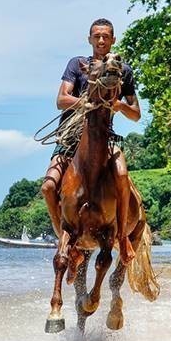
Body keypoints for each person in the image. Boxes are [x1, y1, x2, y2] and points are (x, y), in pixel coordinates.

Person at [40, 18, 141, 262]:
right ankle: (61, 233)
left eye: (106, 36)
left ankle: (123, 236)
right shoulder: (78, 64)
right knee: (48, 187)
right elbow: (61, 99)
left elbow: (136, 113)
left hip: (103, 137)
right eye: (97, 36)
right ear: (90, 39)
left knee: (122, 174)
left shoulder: (122, 70)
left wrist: (118, 105)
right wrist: (84, 103)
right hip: (71, 137)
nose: (101, 40)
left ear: (113, 39)